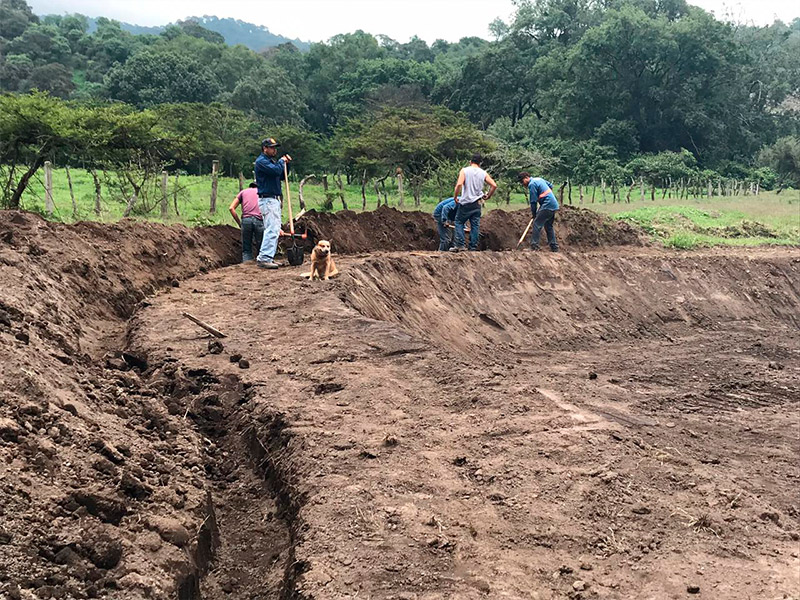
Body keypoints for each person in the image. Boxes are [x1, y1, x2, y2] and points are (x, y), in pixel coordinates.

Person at [254, 138, 292, 269]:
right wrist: (281, 162)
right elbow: (276, 171)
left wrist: (287, 165)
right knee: (272, 229)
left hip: (273, 199)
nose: (274, 150)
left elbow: (281, 175)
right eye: (272, 147)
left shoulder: (271, 162)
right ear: (265, 148)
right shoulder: (262, 162)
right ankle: (264, 258)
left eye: (275, 147)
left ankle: (268, 256)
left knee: (275, 228)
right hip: (268, 199)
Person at [450, 154, 497, 252]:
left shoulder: (464, 170)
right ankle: (473, 247)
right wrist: (488, 195)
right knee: (475, 225)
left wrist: (455, 196)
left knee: (459, 222)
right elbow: (494, 185)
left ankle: (460, 245)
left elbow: (459, 184)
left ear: (470, 161)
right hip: (477, 203)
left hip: (466, 202)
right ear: (480, 163)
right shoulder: (483, 173)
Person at [519, 172, 559, 252]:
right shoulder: (539, 179)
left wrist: (534, 214)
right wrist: (544, 197)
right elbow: (550, 186)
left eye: (522, 181)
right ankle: (554, 247)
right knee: (548, 226)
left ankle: (534, 246)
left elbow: (533, 201)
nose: (523, 184)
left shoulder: (532, 184)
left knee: (537, 224)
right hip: (553, 204)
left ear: (527, 177)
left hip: (547, 205)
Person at [229, 182, 264, 262]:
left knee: (246, 249)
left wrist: (239, 223)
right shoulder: (262, 192)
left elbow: (231, 208)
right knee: (261, 247)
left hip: (246, 221)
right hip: (259, 220)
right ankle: (261, 264)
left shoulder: (243, 192)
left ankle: (246, 266)